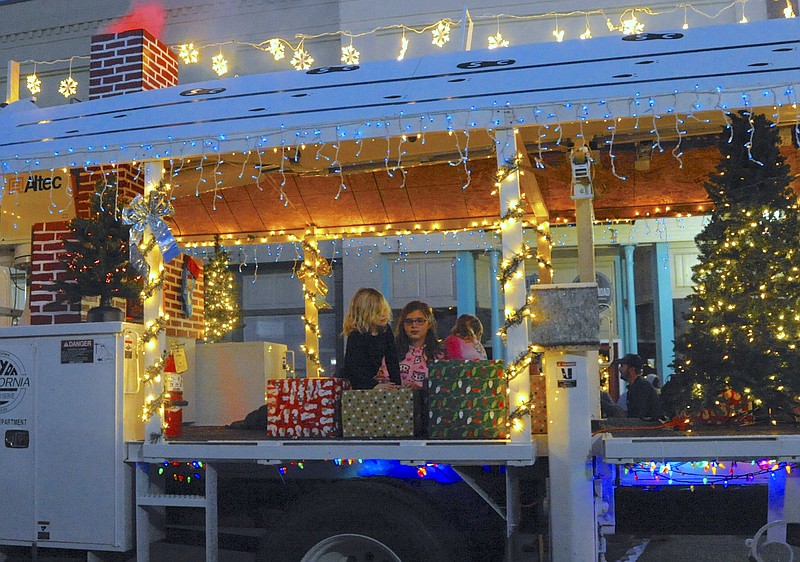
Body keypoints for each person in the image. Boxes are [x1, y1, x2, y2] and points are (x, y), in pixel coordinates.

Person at [337, 288, 401, 390]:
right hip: (352, 381)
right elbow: (353, 367)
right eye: (378, 312)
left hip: (368, 378)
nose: (384, 314)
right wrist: (373, 385)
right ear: (365, 314)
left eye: (384, 310)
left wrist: (397, 384)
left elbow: (392, 359)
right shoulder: (356, 335)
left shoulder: (385, 330)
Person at [392, 300, 444, 388]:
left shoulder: (440, 354)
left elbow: (443, 386)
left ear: (429, 324)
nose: (414, 325)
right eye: (409, 321)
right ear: (403, 325)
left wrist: (419, 390)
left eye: (420, 321)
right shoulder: (392, 352)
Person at [617, 353, 664, 420]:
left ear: (631, 369)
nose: (619, 369)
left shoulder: (641, 388)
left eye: (622, 366)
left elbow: (637, 416)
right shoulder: (636, 387)